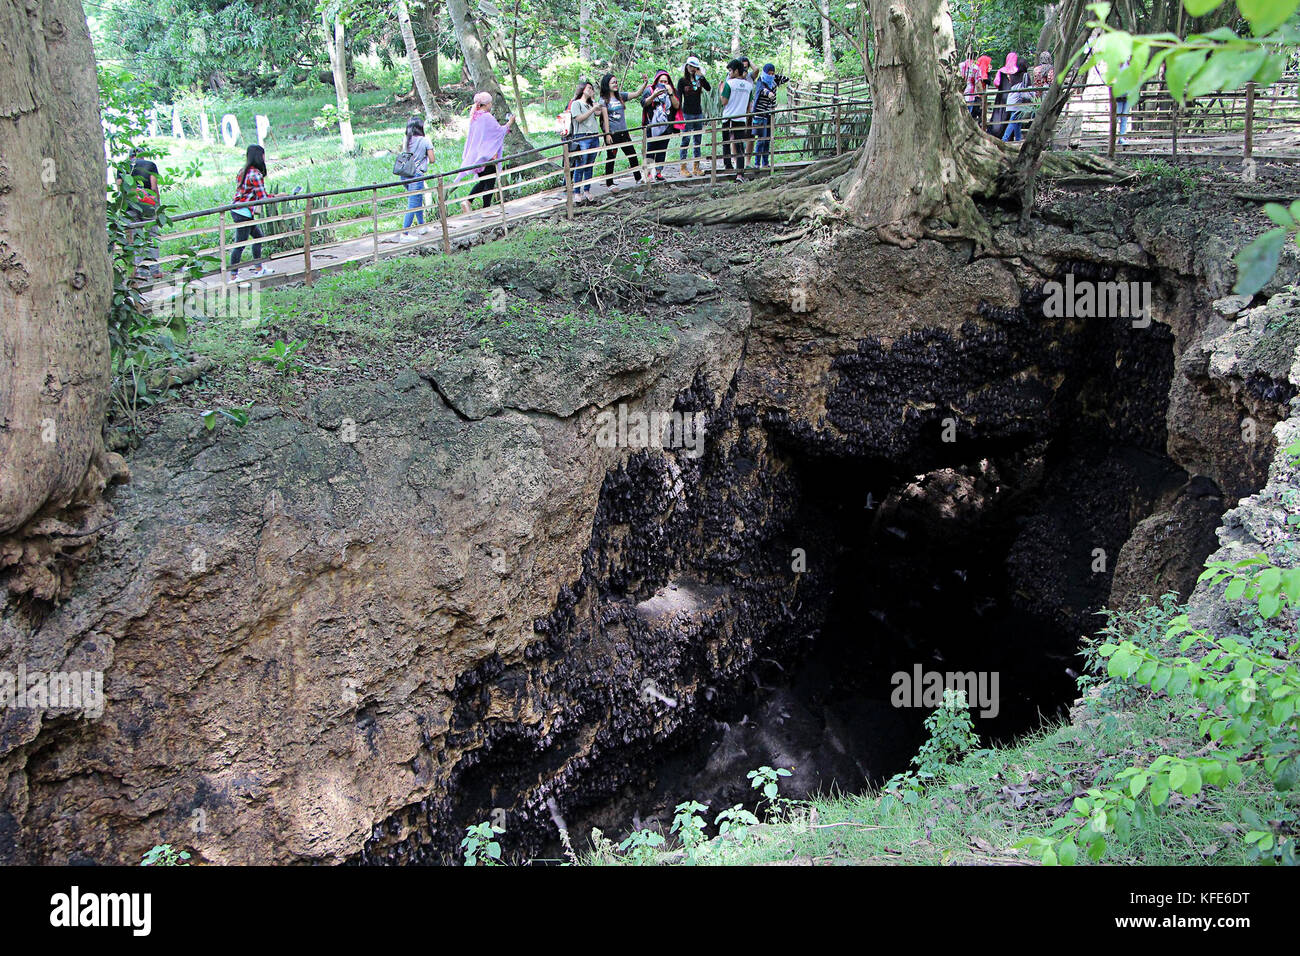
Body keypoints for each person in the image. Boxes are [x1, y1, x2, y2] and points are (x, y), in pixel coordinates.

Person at [228, 144, 288, 280]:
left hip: (238, 209)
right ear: (259, 156)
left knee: (258, 237)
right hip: (243, 212)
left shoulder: (243, 171)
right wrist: (279, 196)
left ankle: (259, 268)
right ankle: (233, 276)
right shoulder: (256, 174)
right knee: (240, 244)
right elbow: (263, 198)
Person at [455, 92, 513, 215]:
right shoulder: (486, 117)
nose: (491, 105)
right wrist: (510, 122)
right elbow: (498, 132)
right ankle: (486, 210)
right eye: (490, 103)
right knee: (489, 182)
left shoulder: (475, 117)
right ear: (486, 104)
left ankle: (468, 201)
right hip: (488, 156)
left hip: (478, 156)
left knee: (483, 182)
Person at [118, 149, 162, 279]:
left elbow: (120, 188)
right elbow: (154, 187)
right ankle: (154, 271)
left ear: (130, 156)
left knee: (136, 237)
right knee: (152, 235)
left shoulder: (122, 166)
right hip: (148, 205)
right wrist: (157, 205)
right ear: (143, 156)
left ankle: (138, 272)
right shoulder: (150, 165)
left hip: (130, 204)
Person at [599, 72, 647, 189]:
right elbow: (605, 118)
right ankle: (609, 183)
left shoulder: (621, 96)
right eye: (612, 82)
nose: (615, 84)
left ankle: (638, 178)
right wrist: (607, 134)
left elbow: (636, 94)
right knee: (611, 157)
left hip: (624, 132)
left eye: (616, 82)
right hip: (612, 133)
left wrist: (645, 83)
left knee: (632, 154)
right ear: (607, 84)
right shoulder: (603, 100)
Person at [398, 117, 436, 242]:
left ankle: (422, 226)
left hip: (404, 174)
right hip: (417, 175)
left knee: (416, 199)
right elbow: (432, 159)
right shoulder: (425, 140)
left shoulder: (406, 140)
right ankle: (404, 233)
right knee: (413, 204)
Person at [568, 81, 604, 204]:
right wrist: (592, 108)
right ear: (582, 89)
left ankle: (587, 190)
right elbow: (579, 118)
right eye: (589, 88)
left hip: (594, 136)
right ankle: (577, 191)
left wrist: (593, 101)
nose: (590, 90)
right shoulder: (576, 103)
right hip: (582, 137)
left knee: (590, 164)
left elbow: (599, 113)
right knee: (581, 164)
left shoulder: (590, 104)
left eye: (592, 88)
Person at [719, 58, 755, 181]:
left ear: (736, 71)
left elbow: (724, 101)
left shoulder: (729, 84)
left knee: (726, 143)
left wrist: (720, 91)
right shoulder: (749, 86)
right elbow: (749, 106)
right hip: (741, 118)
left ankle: (728, 166)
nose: (729, 73)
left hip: (728, 117)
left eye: (730, 70)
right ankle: (740, 173)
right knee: (739, 145)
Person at [676, 56, 711, 177]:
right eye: (690, 66)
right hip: (687, 113)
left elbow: (708, 88)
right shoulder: (682, 81)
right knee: (685, 140)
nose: (692, 68)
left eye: (694, 66)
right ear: (686, 66)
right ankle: (683, 167)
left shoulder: (699, 80)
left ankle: (696, 167)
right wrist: (678, 114)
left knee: (698, 140)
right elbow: (678, 98)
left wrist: (701, 76)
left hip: (698, 113)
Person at [641, 71, 679, 181]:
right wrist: (654, 96)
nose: (663, 83)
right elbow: (643, 103)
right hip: (651, 126)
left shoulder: (671, 91)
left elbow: (676, 106)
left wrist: (670, 93)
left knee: (662, 150)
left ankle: (658, 172)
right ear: (656, 81)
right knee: (651, 150)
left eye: (665, 82)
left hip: (666, 126)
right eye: (661, 81)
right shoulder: (650, 90)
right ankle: (647, 174)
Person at [750, 63, 789, 171]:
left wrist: (775, 76)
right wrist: (768, 93)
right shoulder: (760, 81)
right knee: (761, 140)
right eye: (769, 73)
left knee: (767, 140)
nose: (770, 75)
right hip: (760, 114)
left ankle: (765, 162)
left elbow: (786, 79)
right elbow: (762, 90)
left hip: (769, 115)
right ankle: (757, 163)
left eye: (772, 73)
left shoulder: (774, 82)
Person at [987, 51, 1025, 138]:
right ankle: (1010, 137)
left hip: (1002, 95)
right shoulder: (1017, 71)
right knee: (1011, 116)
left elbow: (996, 83)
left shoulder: (1001, 70)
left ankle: (997, 134)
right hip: (1013, 96)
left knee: (999, 115)